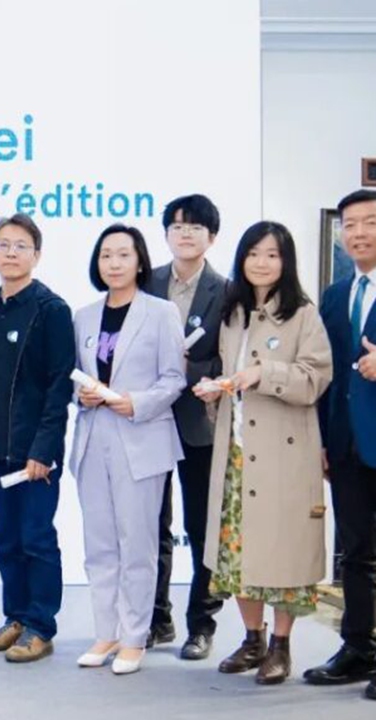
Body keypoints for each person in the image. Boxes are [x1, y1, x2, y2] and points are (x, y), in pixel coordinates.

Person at [192, 221, 331, 685]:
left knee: (283, 553)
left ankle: (281, 647)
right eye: (253, 253)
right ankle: (252, 638)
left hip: (283, 454)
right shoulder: (232, 312)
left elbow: (315, 379)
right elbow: (232, 377)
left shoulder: (303, 314)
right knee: (237, 553)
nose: (262, 263)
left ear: (286, 261)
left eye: (272, 254)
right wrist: (216, 391)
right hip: (234, 453)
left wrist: (262, 373)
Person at [69, 224, 185, 675]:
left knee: (136, 542)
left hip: (141, 436)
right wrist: (83, 396)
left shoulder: (161, 312)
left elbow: (174, 379)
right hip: (93, 437)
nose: (114, 264)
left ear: (140, 261)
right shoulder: (83, 315)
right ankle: (107, 631)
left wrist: (131, 402)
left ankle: (135, 636)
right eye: (106, 256)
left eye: (123, 255)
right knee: (99, 544)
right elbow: (78, 377)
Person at [0, 214, 74, 662]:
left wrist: (44, 450)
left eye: (21, 245)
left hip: (34, 454)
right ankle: (14, 617)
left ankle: (40, 626)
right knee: (5, 539)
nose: (11, 253)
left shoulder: (51, 310)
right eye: (3, 245)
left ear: (37, 254)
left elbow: (58, 386)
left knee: (36, 538)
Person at [144, 194, 228, 659]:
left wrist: (188, 369)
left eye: (195, 227)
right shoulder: (147, 280)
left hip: (201, 420)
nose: (185, 234)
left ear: (211, 236)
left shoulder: (226, 288)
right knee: (153, 523)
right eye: (177, 226)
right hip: (150, 420)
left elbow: (229, 358)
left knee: (201, 526)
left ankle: (203, 623)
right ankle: (158, 619)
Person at [307, 189, 376, 699]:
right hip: (349, 445)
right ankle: (358, 649)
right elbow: (328, 376)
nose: (357, 233)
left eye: (370, 222)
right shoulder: (334, 294)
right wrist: (326, 443)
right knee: (355, 553)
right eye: (350, 224)